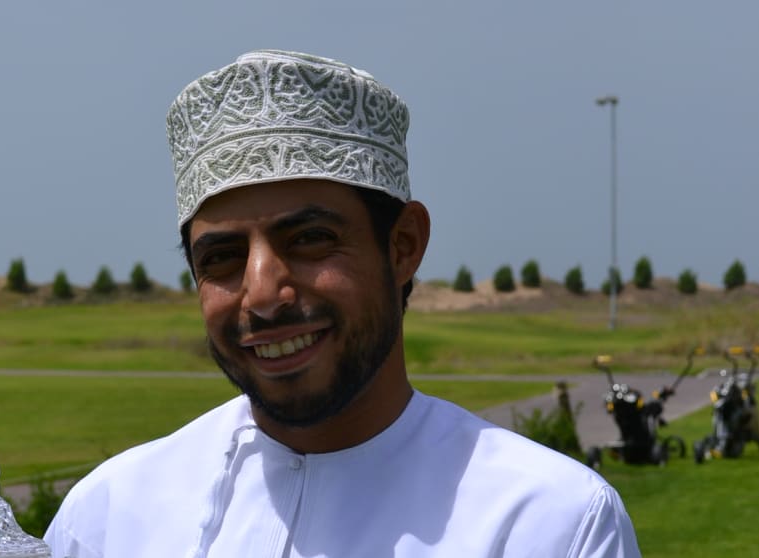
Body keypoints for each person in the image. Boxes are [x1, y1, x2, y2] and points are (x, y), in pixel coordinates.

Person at [45, 49, 641, 557]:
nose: (262, 294)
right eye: (221, 258)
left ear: (403, 246)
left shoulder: (545, 525)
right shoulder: (109, 519)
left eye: (309, 240)